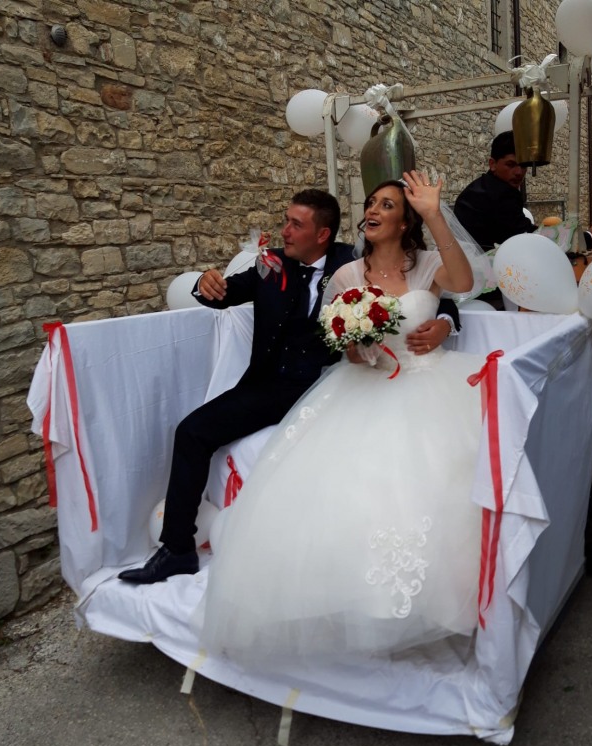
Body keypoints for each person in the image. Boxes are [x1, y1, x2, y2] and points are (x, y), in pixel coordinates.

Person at [198, 171, 487, 661]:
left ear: (406, 222)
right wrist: (357, 348)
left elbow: (464, 282)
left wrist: (435, 213)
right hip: (363, 387)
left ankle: (433, 605)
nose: (372, 211)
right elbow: (341, 351)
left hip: (429, 385)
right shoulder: (346, 277)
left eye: (388, 206)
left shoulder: (429, 265)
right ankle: (352, 600)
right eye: (371, 203)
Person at [119, 189, 460, 584]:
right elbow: (223, 295)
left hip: (336, 384)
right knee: (191, 431)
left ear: (323, 234)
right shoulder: (271, 264)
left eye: (295, 224)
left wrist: (446, 323)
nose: (284, 231)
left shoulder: (355, 258)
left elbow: (423, 292)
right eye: (286, 221)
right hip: (272, 386)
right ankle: (177, 550)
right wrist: (205, 283)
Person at [453, 131, 592, 254]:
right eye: (510, 165)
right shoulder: (500, 194)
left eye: (523, 166)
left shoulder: (478, 188)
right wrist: (589, 236)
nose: (518, 172)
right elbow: (533, 241)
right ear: (492, 164)